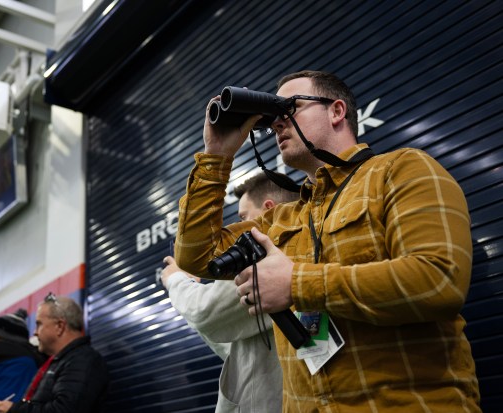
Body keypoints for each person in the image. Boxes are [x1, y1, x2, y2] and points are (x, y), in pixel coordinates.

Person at [175, 70, 481, 412]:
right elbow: (196, 256)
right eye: (275, 115)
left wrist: (297, 283)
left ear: (337, 111)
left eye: (291, 108)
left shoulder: (402, 170)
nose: (278, 123)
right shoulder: (283, 218)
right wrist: (216, 154)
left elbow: (438, 281)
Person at [162, 173, 299, 413]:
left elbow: (203, 311)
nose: (239, 228)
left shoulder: (266, 260)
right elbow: (227, 336)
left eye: (244, 217)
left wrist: (175, 279)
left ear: (269, 210)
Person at [0, 293, 109, 413]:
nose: (35, 333)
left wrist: (14, 410)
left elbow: (64, 410)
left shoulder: (83, 360)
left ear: (59, 326)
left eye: (39, 324)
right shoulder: (59, 362)